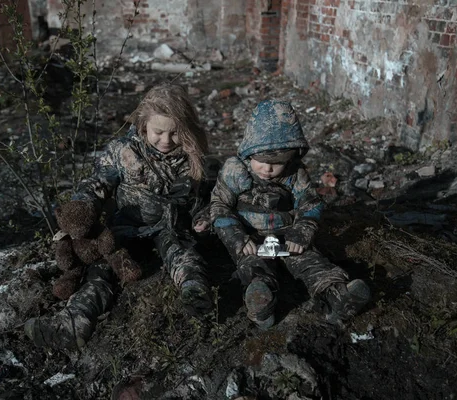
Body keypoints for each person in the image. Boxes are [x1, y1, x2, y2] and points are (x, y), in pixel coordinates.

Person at [25, 84, 216, 350]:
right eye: (158, 132)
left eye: (175, 132)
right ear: (143, 125)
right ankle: (74, 322)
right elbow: (98, 182)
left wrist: (205, 217)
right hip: (127, 229)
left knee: (183, 254)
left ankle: (195, 292)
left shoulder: (193, 155)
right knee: (100, 269)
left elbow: (209, 196)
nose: (166, 140)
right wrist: (83, 204)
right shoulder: (124, 151)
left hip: (171, 228)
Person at [210, 100, 370, 329]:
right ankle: (260, 302)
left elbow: (310, 203)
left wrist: (301, 233)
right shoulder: (235, 170)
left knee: (311, 261)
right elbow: (219, 205)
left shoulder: (296, 174)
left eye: (277, 164)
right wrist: (236, 237)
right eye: (262, 161)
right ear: (248, 152)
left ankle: (338, 294)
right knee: (254, 266)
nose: (268, 170)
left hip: (287, 234)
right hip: (250, 237)